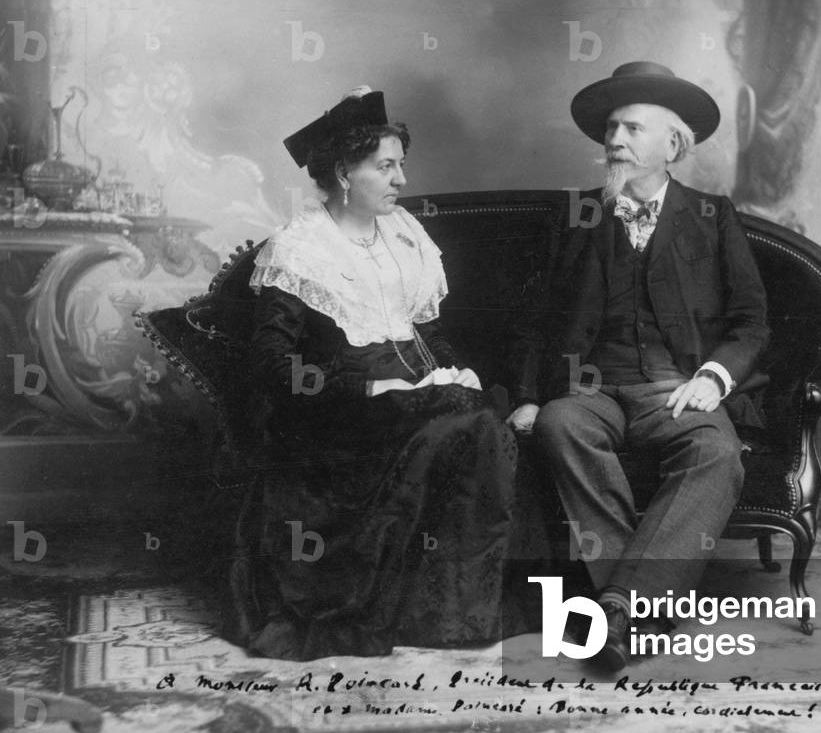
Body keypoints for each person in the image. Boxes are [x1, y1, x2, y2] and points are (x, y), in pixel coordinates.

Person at [230, 87, 518, 660]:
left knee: (484, 415)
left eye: (401, 165)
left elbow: (421, 330)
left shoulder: (404, 232)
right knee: (472, 427)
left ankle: (456, 608)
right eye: (385, 167)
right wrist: (365, 388)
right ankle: (442, 614)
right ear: (343, 172)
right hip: (339, 419)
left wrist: (452, 370)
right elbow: (269, 366)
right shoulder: (300, 248)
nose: (400, 180)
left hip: (411, 394)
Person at [507, 62, 770, 671]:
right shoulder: (575, 215)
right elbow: (535, 321)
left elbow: (752, 320)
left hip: (674, 391)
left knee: (716, 452)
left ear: (673, 145)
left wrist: (713, 376)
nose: (613, 141)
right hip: (590, 388)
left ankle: (617, 609)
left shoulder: (712, 216)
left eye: (630, 129)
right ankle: (642, 609)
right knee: (558, 425)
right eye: (610, 130)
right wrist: (526, 395)